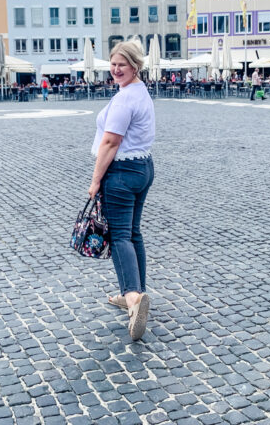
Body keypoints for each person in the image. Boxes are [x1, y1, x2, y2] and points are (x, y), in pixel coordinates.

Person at [89, 41, 155, 342]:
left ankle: (132, 298)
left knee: (120, 237)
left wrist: (95, 180)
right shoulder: (140, 92)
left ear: (135, 66)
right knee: (134, 233)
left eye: (122, 65)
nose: (116, 69)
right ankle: (136, 291)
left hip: (122, 172)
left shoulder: (125, 99)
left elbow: (110, 142)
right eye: (113, 64)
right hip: (143, 167)